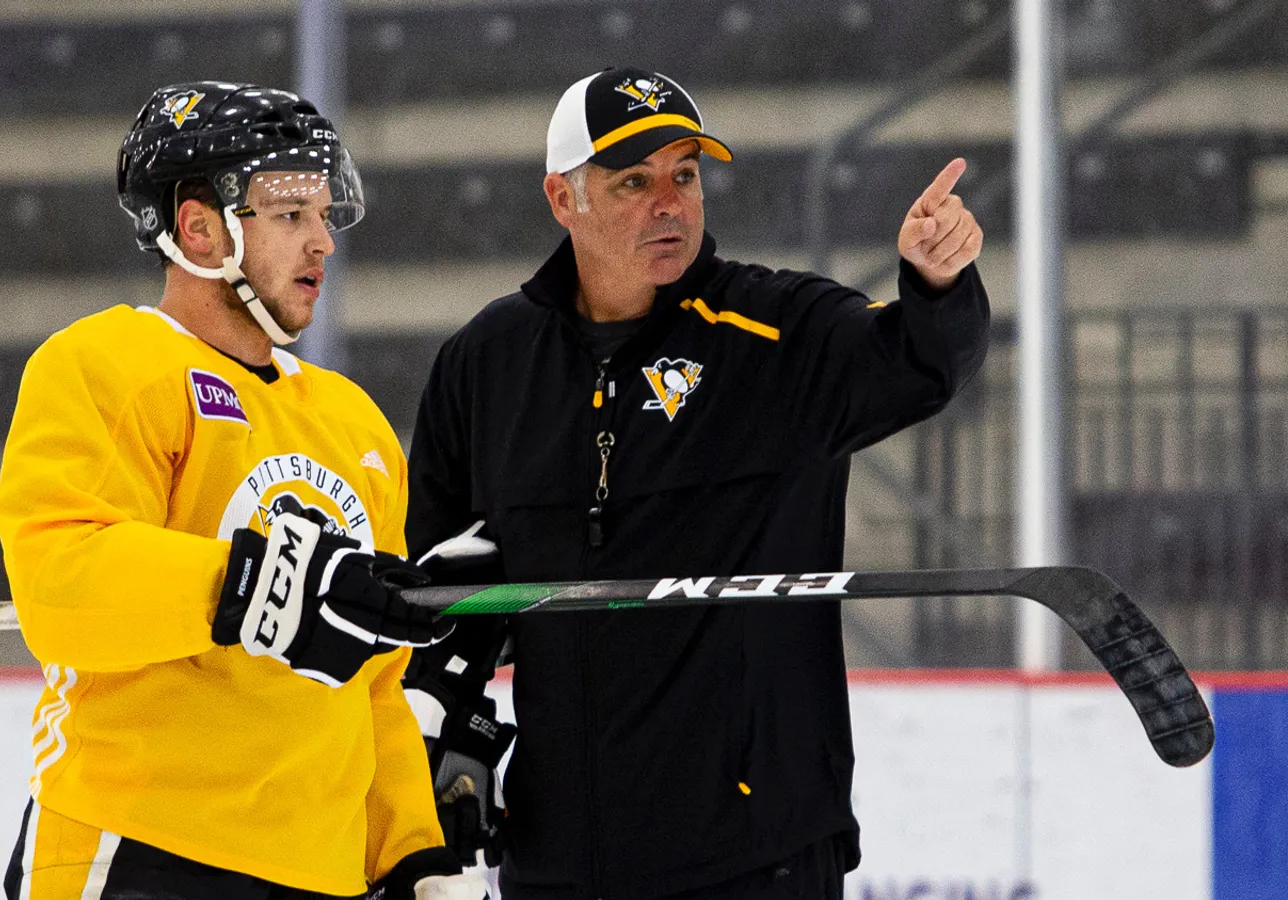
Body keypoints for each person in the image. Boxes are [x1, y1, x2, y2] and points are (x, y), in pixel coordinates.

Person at [403, 67, 991, 899]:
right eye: (634, 181)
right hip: (556, 863)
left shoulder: (777, 332)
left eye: (685, 175)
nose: (670, 202)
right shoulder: (485, 364)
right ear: (563, 200)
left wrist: (936, 286)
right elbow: (441, 591)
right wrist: (446, 732)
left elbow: (922, 364)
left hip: (758, 854)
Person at [0, 81, 486, 900]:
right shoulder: (105, 363)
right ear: (199, 227)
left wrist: (410, 853)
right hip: (140, 845)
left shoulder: (352, 423)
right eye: (291, 215)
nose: (322, 242)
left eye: (326, 216)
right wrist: (259, 581)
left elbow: (373, 685)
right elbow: (59, 580)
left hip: (318, 871)